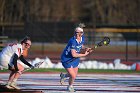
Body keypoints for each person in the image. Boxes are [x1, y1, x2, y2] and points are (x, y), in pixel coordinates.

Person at [60, 23, 92, 92]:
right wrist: (84, 54)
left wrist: (86, 48)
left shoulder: (82, 38)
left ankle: (64, 76)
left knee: (73, 75)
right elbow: (73, 54)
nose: (77, 34)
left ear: (82, 33)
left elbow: (81, 45)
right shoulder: (72, 41)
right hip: (66, 59)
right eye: (76, 33)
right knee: (73, 76)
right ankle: (69, 87)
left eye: (79, 33)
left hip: (75, 59)